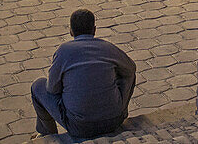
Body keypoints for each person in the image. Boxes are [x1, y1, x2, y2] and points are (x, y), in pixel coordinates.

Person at [30, 9, 136, 139]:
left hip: (80, 127)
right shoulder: (108, 47)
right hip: (114, 121)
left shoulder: (64, 51)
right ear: (94, 30)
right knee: (128, 73)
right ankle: (120, 110)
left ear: (71, 31)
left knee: (38, 86)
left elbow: (52, 89)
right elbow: (131, 69)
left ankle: (47, 134)